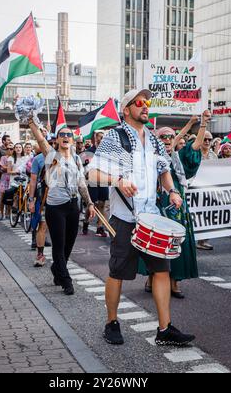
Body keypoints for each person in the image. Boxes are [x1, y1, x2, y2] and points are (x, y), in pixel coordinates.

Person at [88, 89, 196, 347]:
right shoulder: (116, 137)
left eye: (148, 102)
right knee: (117, 272)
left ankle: (164, 329)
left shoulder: (155, 140)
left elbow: (164, 171)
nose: (146, 106)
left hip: (151, 216)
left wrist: (171, 191)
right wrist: (118, 180)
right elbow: (93, 174)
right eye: (140, 102)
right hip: (125, 217)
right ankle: (111, 323)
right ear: (126, 110)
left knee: (161, 271)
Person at [140, 111, 211, 299]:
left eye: (171, 137)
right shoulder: (148, 159)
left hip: (177, 207)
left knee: (177, 241)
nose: (168, 139)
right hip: (155, 206)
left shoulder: (178, 158)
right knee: (155, 242)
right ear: (156, 140)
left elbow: (195, 145)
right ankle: (152, 276)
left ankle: (175, 281)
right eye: (163, 136)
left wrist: (203, 123)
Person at [27, 120, 96, 296]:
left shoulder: (77, 159)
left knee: (68, 245)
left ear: (72, 140)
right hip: (55, 207)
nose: (66, 137)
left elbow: (81, 183)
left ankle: (57, 269)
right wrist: (32, 124)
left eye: (69, 135)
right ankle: (66, 281)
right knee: (59, 245)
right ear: (57, 140)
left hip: (73, 206)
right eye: (62, 135)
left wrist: (89, 203)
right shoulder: (51, 156)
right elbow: (42, 141)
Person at [83, 131, 109, 237]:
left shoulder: (107, 152)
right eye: (99, 137)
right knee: (92, 204)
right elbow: (85, 167)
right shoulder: (89, 151)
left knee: (102, 204)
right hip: (93, 181)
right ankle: (86, 222)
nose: (101, 139)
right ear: (95, 139)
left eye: (103, 137)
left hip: (103, 180)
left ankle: (99, 227)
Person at [29, 149, 52, 267]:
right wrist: (31, 200)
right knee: (42, 225)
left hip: (63, 198)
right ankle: (40, 255)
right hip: (44, 196)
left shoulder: (68, 156)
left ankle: (61, 257)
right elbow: (33, 181)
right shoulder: (38, 159)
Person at [197, 131, 218, 251]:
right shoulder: (194, 153)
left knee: (208, 214)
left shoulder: (213, 155)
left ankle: (203, 240)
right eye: (205, 139)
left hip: (209, 188)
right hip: (196, 188)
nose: (207, 142)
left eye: (209, 140)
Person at [0, 143, 14, 220]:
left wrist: (7, 168)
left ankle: (8, 213)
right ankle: (1, 213)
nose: (9, 150)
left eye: (11, 148)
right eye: (7, 149)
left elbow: (8, 168)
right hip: (4, 179)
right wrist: (9, 168)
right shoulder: (3, 157)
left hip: (12, 179)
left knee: (10, 197)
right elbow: (1, 167)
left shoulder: (15, 158)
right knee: (2, 196)